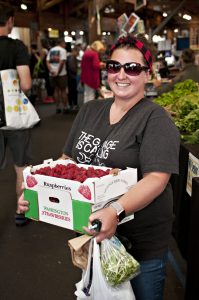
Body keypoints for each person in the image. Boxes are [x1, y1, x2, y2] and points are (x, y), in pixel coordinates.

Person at [18, 34, 180, 300]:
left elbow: (156, 179)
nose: (121, 75)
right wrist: (39, 189)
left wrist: (115, 210)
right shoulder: (90, 110)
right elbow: (68, 161)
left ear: (147, 74)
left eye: (132, 68)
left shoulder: (155, 119)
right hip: (95, 238)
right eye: (114, 67)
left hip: (140, 245)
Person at [0, 3, 32, 225]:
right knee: (21, 166)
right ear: (10, 21)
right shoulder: (16, 47)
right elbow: (27, 83)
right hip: (14, 116)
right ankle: (21, 213)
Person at [46, 37, 68, 113]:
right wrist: (58, 72)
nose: (65, 45)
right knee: (63, 91)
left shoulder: (51, 50)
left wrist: (51, 71)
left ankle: (57, 107)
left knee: (56, 90)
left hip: (52, 74)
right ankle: (65, 108)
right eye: (64, 43)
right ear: (61, 43)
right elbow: (62, 62)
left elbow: (47, 62)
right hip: (61, 74)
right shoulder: (63, 50)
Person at [66, 46, 79, 110]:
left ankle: (71, 104)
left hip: (69, 76)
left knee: (70, 91)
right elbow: (72, 67)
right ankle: (74, 104)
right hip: (72, 76)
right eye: (77, 52)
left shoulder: (69, 57)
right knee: (73, 91)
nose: (78, 54)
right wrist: (76, 71)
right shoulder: (72, 57)